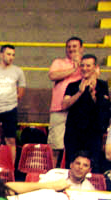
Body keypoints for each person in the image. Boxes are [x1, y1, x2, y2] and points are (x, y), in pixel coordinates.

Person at [62, 54, 110, 172]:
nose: (84, 68)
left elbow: (104, 108)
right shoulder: (73, 85)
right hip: (74, 132)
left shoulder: (102, 86)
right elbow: (64, 105)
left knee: (94, 165)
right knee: (72, 163)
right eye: (82, 65)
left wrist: (93, 94)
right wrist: (79, 92)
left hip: (94, 133)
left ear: (95, 67)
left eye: (88, 65)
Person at [0, 45, 26, 161]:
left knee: (10, 139)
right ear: (1, 55)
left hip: (10, 109)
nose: (11, 57)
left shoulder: (18, 71)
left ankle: (10, 167)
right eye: (8, 54)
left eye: (13, 55)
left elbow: (21, 90)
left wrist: (11, 101)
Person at [48, 37, 84, 165]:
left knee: (76, 146)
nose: (71, 49)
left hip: (79, 111)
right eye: (69, 46)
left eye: (74, 46)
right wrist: (73, 69)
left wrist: (80, 65)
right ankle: (52, 171)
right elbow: (52, 75)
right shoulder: (59, 62)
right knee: (55, 146)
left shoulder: (85, 64)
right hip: (59, 109)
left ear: (81, 48)